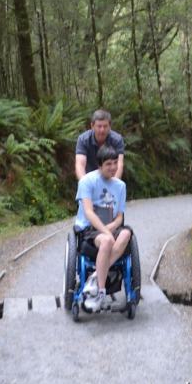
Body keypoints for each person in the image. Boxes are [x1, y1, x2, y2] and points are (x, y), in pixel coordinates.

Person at [74, 144, 133, 312]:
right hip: (90, 228)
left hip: (111, 225)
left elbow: (119, 216)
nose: (113, 167)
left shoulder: (120, 186)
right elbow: (88, 212)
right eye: (108, 164)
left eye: (115, 163)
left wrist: (112, 227)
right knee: (107, 240)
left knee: (126, 233)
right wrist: (106, 231)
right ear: (100, 165)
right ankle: (100, 291)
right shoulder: (87, 181)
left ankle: (94, 277)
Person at [75, 109, 125, 180]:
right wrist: (85, 184)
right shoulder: (83, 139)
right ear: (92, 126)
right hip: (89, 179)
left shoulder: (117, 140)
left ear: (110, 126)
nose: (102, 130)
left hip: (110, 179)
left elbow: (119, 164)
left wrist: (114, 185)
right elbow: (80, 165)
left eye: (105, 126)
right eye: (99, 126)